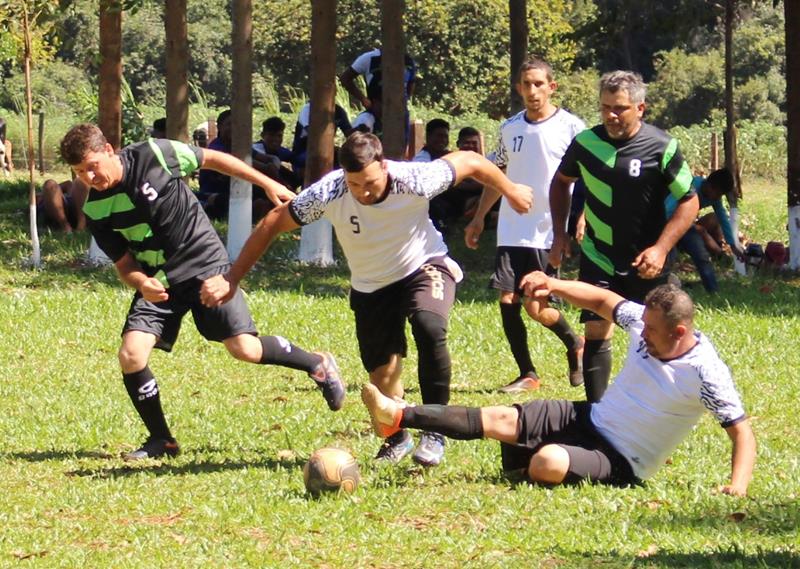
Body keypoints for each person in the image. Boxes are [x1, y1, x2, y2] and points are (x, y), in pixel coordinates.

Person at [200, 132, 533, 468]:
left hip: (424, 265)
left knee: (429, 325)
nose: (364, 192)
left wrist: (511, 189)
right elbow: (273, 221)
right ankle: (398, 436)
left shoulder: (415, 179)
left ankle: (436, 429)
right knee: (383, 376)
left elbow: (471, 160)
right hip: (371, 286)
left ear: (384, 166)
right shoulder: (329, 191)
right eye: (355, 184)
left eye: (370, 182)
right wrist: (232, 279)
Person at [59, 123, 345, 460]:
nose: (90, 177)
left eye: (92, 166)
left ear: (109, 150)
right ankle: (161, 440)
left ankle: (318, 363)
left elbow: (213, 160)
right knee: (131, 355)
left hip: (204, 264)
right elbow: (124, 265)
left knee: (244, 349)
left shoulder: (154, 154)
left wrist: (268, 183)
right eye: (80, 172)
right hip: (160, 281)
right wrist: (141, 282)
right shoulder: (95, 209)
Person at [362, 273, 755, 495]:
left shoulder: (706, 372)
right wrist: (555, 284)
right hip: (590, 418)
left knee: (547, 461)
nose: (643, 333)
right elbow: (603, 300)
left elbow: (742, 433)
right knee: (499, 417)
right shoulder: (642, 321)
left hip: (622, 459)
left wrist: (737, 485)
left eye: (652, 331)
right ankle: (398, 414)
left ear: (680, 331)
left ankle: (527, 459)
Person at [549, 70, 700, 403]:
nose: (611, 116)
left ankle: (659, 409)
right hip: (598, 254)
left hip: (648, 261)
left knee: (659, 336)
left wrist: (660, 249)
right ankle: (596, 414)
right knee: (595, 331)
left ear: (640, 108)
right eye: (605, 108)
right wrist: (560, 234)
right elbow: (561, 182)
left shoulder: (662, 146)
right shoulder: (586, 143)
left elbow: (690, 200)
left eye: (620, 108)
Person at [464, 58, 586, 393]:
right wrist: (479, 219)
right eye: (526, 85)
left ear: (551, 86)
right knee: (508, 300)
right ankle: (527, 373)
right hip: (512, 226)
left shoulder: (573, 128)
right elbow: (496, 177)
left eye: (538, 84)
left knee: (537, 307)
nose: (532, 91)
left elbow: (589, 178)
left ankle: (575, 343)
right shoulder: (510, 128)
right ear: (518, 88)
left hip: (548, 229)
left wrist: (581, 216)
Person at [666, 168, 744, 293]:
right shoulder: (690, 187)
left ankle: (713, 291)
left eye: (720, 195)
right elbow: (668, 207)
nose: (717, 198)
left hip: (685, 225)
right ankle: (663, 289)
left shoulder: (714, 197)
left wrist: (733, 244)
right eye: (717, 193)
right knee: (669, 257)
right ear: (708, 185)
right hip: (668, 224)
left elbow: (722, 217)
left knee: (701, 255)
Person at [198, 109, 272, 221]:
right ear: (220, 127)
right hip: (215, 193)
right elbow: (241, 163)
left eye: (235, 125)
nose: (232, 128)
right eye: (228, 124)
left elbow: (261, 157)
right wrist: (265, 168)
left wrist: (274, 162)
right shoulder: (217, 147)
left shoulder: (238, 145)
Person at [291, 102, 353, 181]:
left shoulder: (339, 111)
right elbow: (314, 135)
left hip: (329, 150)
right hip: (304, 150)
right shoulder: (308, 110)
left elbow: (349, 134)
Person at [252, 117, 299, 190]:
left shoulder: (282, 151)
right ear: (263, 135)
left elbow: (297, 159)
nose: (276, 139)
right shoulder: (256, 149)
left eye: (279, 136)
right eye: (271, 135)